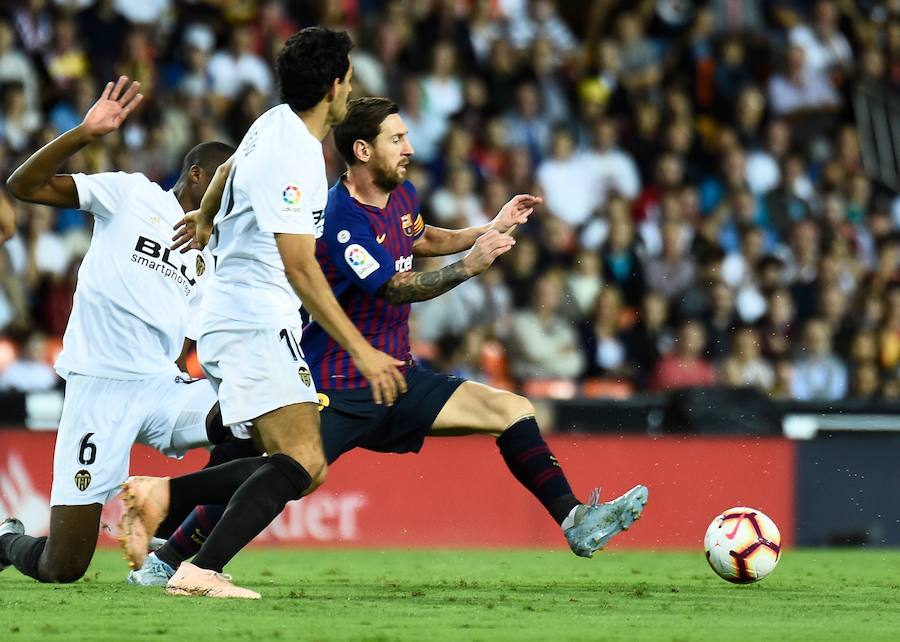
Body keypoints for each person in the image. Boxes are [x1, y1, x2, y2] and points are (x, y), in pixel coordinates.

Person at [127, 97, 648, 589]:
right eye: (397, 139)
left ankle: (575, 520)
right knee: (286, 474)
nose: (410, 149)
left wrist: (487, 227)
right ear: (362, 150)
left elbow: (421, 238)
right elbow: (395, 288)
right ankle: (169, 557)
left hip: (397, 377)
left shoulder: (401, 196)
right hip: (339, 383)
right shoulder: (340, 219)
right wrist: (471, 266)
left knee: (510, 408)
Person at [117, 28, 406, 600]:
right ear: (333, 84)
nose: (352, 85)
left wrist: (205, 217)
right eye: (349, 75)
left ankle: (171, 522)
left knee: (290, 461)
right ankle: (193, 561)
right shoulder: (295, 154)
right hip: (254, 319)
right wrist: (360, 348)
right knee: (303, 459)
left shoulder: (274, 123)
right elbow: (300, 266)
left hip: (239, 316)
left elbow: (227, 171)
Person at [0, 76, 240, 584]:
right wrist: (84, 134)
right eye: (226, 181)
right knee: (62, 565)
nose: (231, 195)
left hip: (159, 387)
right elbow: (23, 187)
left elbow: (197, 340)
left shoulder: (209, 253)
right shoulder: (131, 194)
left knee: (254, 420)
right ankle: (5, 539)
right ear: (197, 175)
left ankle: (168, 547)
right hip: (98, 388)